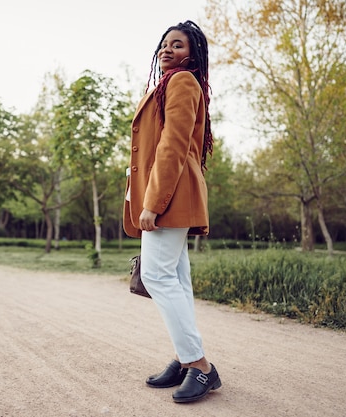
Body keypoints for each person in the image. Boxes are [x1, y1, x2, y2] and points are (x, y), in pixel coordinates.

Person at [123, 20, 220, 403]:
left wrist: (152, 203)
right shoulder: (167, 85)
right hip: (172, 196)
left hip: (170, 197)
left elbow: (173, 147)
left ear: (191, 54)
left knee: (158, 276)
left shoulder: (182, 83)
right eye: (164, 44)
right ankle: (186, 359)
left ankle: (200, 366)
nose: (167, 50)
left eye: (177, 45)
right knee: (176, 280)